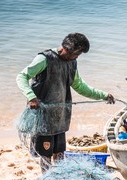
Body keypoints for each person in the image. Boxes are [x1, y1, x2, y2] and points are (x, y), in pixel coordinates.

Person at [16, 32, 115, 172]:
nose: (77, 57)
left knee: (60, 153)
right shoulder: (44, 59)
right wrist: (31, 97)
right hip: (43, 117)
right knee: (45, 154)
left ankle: (59, 177)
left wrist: (103, 95)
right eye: (77, 54)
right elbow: (22, 76)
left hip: (61, 117)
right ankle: (46, 179)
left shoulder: (72, 63)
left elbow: (80, 87)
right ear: (67, 49)